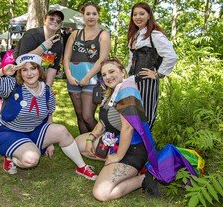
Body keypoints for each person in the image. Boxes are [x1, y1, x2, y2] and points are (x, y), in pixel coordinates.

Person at [75, 57, 203, 201]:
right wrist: (90, 138)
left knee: (101, 193)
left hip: (133, 150)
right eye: (104, 75)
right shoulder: (113, 91)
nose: (108, 77)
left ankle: (144, 178)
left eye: (112, 71)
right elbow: (103, 122)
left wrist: (116, 157)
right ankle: (112, 165)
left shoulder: (127, 92)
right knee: (78, 144)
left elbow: (128, 129)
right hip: (117, 141)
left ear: (123, 72)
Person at [0, 53, 97, 180]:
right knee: (31, 159)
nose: (29, 73)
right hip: (7, 132)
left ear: (40, 70)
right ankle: (10, 157)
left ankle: (82, 167)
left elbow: (49, 115)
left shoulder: (47, 91)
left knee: (61, 130)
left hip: (33, 131)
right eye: (24, 70)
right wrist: (2, 71)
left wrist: (50, 143)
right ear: (19, 72)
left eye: (33, 68)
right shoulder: (12, 85)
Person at [126, 2, 177, 128]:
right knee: (131, 113)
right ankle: (133, 144)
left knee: (146, 115)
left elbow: (171, 56)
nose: (138, 17)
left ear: (149, 15)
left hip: (147, 81)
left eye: (142, 13)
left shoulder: (155, 35)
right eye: (135, 14)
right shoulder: (134, 36)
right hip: (132, 80)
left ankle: (146, 145)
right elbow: (131, 59)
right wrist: (126, 75)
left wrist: (158, 74)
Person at [63, 2, 111, 134]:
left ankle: (105, 142)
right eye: (87, 13)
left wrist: (87, 77)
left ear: (98, 16)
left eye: (94, 13)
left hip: (92, 80)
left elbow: (102, 60)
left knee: (88, 117)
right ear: (83, 16)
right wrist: (68, 75)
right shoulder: (74, 34)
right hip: (73, 79)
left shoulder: (104, 35)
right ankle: (83, 144)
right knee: (79, 115)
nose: (91, 16)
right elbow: (66, 57)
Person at [16, 10, 64, 86]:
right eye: (51, 19)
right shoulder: (31, 35)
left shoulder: (58, 44)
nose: (55, 22)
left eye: (58, 21)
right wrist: (43, 47)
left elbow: (53, 68)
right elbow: (21, 60)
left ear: (60, 25)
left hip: (40, 84)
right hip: (20, 81)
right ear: (44, 20)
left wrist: (47, 88)